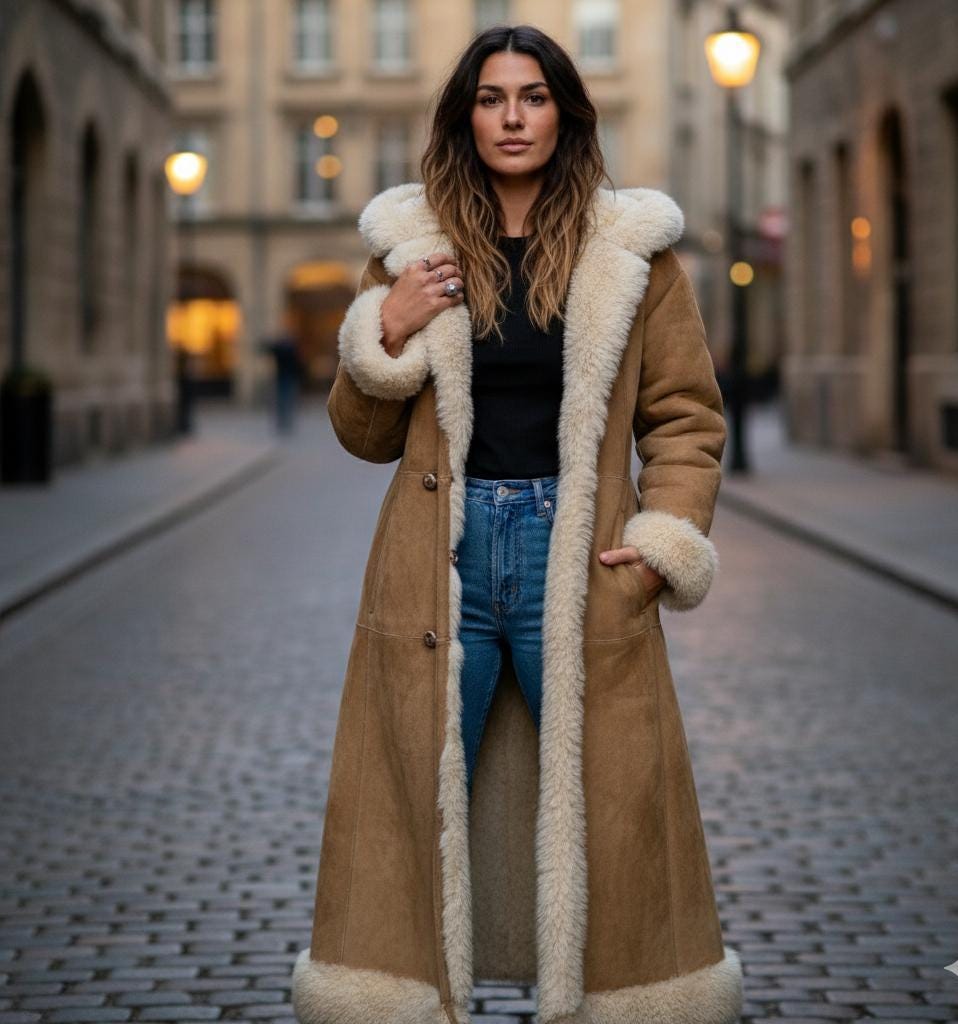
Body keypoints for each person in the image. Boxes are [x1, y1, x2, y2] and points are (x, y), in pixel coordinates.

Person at [292, 24, 743, 1024]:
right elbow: (362, 435)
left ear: (564, 114)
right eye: (491, 98)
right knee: (418, 798)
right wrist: (389, 328)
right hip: (438, 558)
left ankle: (630, 999)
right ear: (464, 116)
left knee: (608, 802)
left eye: (532, 96)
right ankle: (403, 999)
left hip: (578, 555)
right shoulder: (410, 252)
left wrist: (662, 543)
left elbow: (686, 416)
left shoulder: (631, 255)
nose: (511, 116)